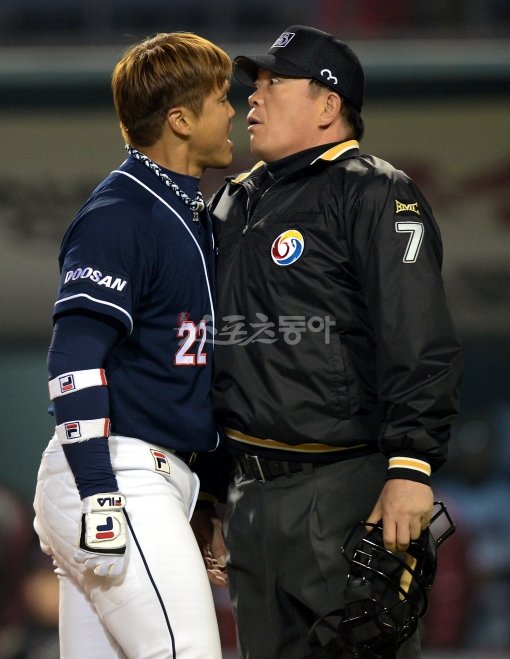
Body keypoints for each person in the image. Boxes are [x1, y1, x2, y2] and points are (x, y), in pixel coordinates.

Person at [191, 25, 463, 659]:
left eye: (273, 83)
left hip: (344, 487)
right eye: (254, 85)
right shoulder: (234, 201)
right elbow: (221, 358)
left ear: (328, 104)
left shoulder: (374, 190)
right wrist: (215, 487)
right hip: (250, 495)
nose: (253, 97)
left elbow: (418, 335)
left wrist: (411, 467)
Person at [33, 32, 235, 659]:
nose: (233, 111)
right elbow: (73, 357)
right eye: (222, 99)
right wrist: (100, 492)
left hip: (151, 476)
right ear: (181, 119)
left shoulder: (189, 212)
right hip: (118, 473)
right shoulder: (122, 212)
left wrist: (204, 497)